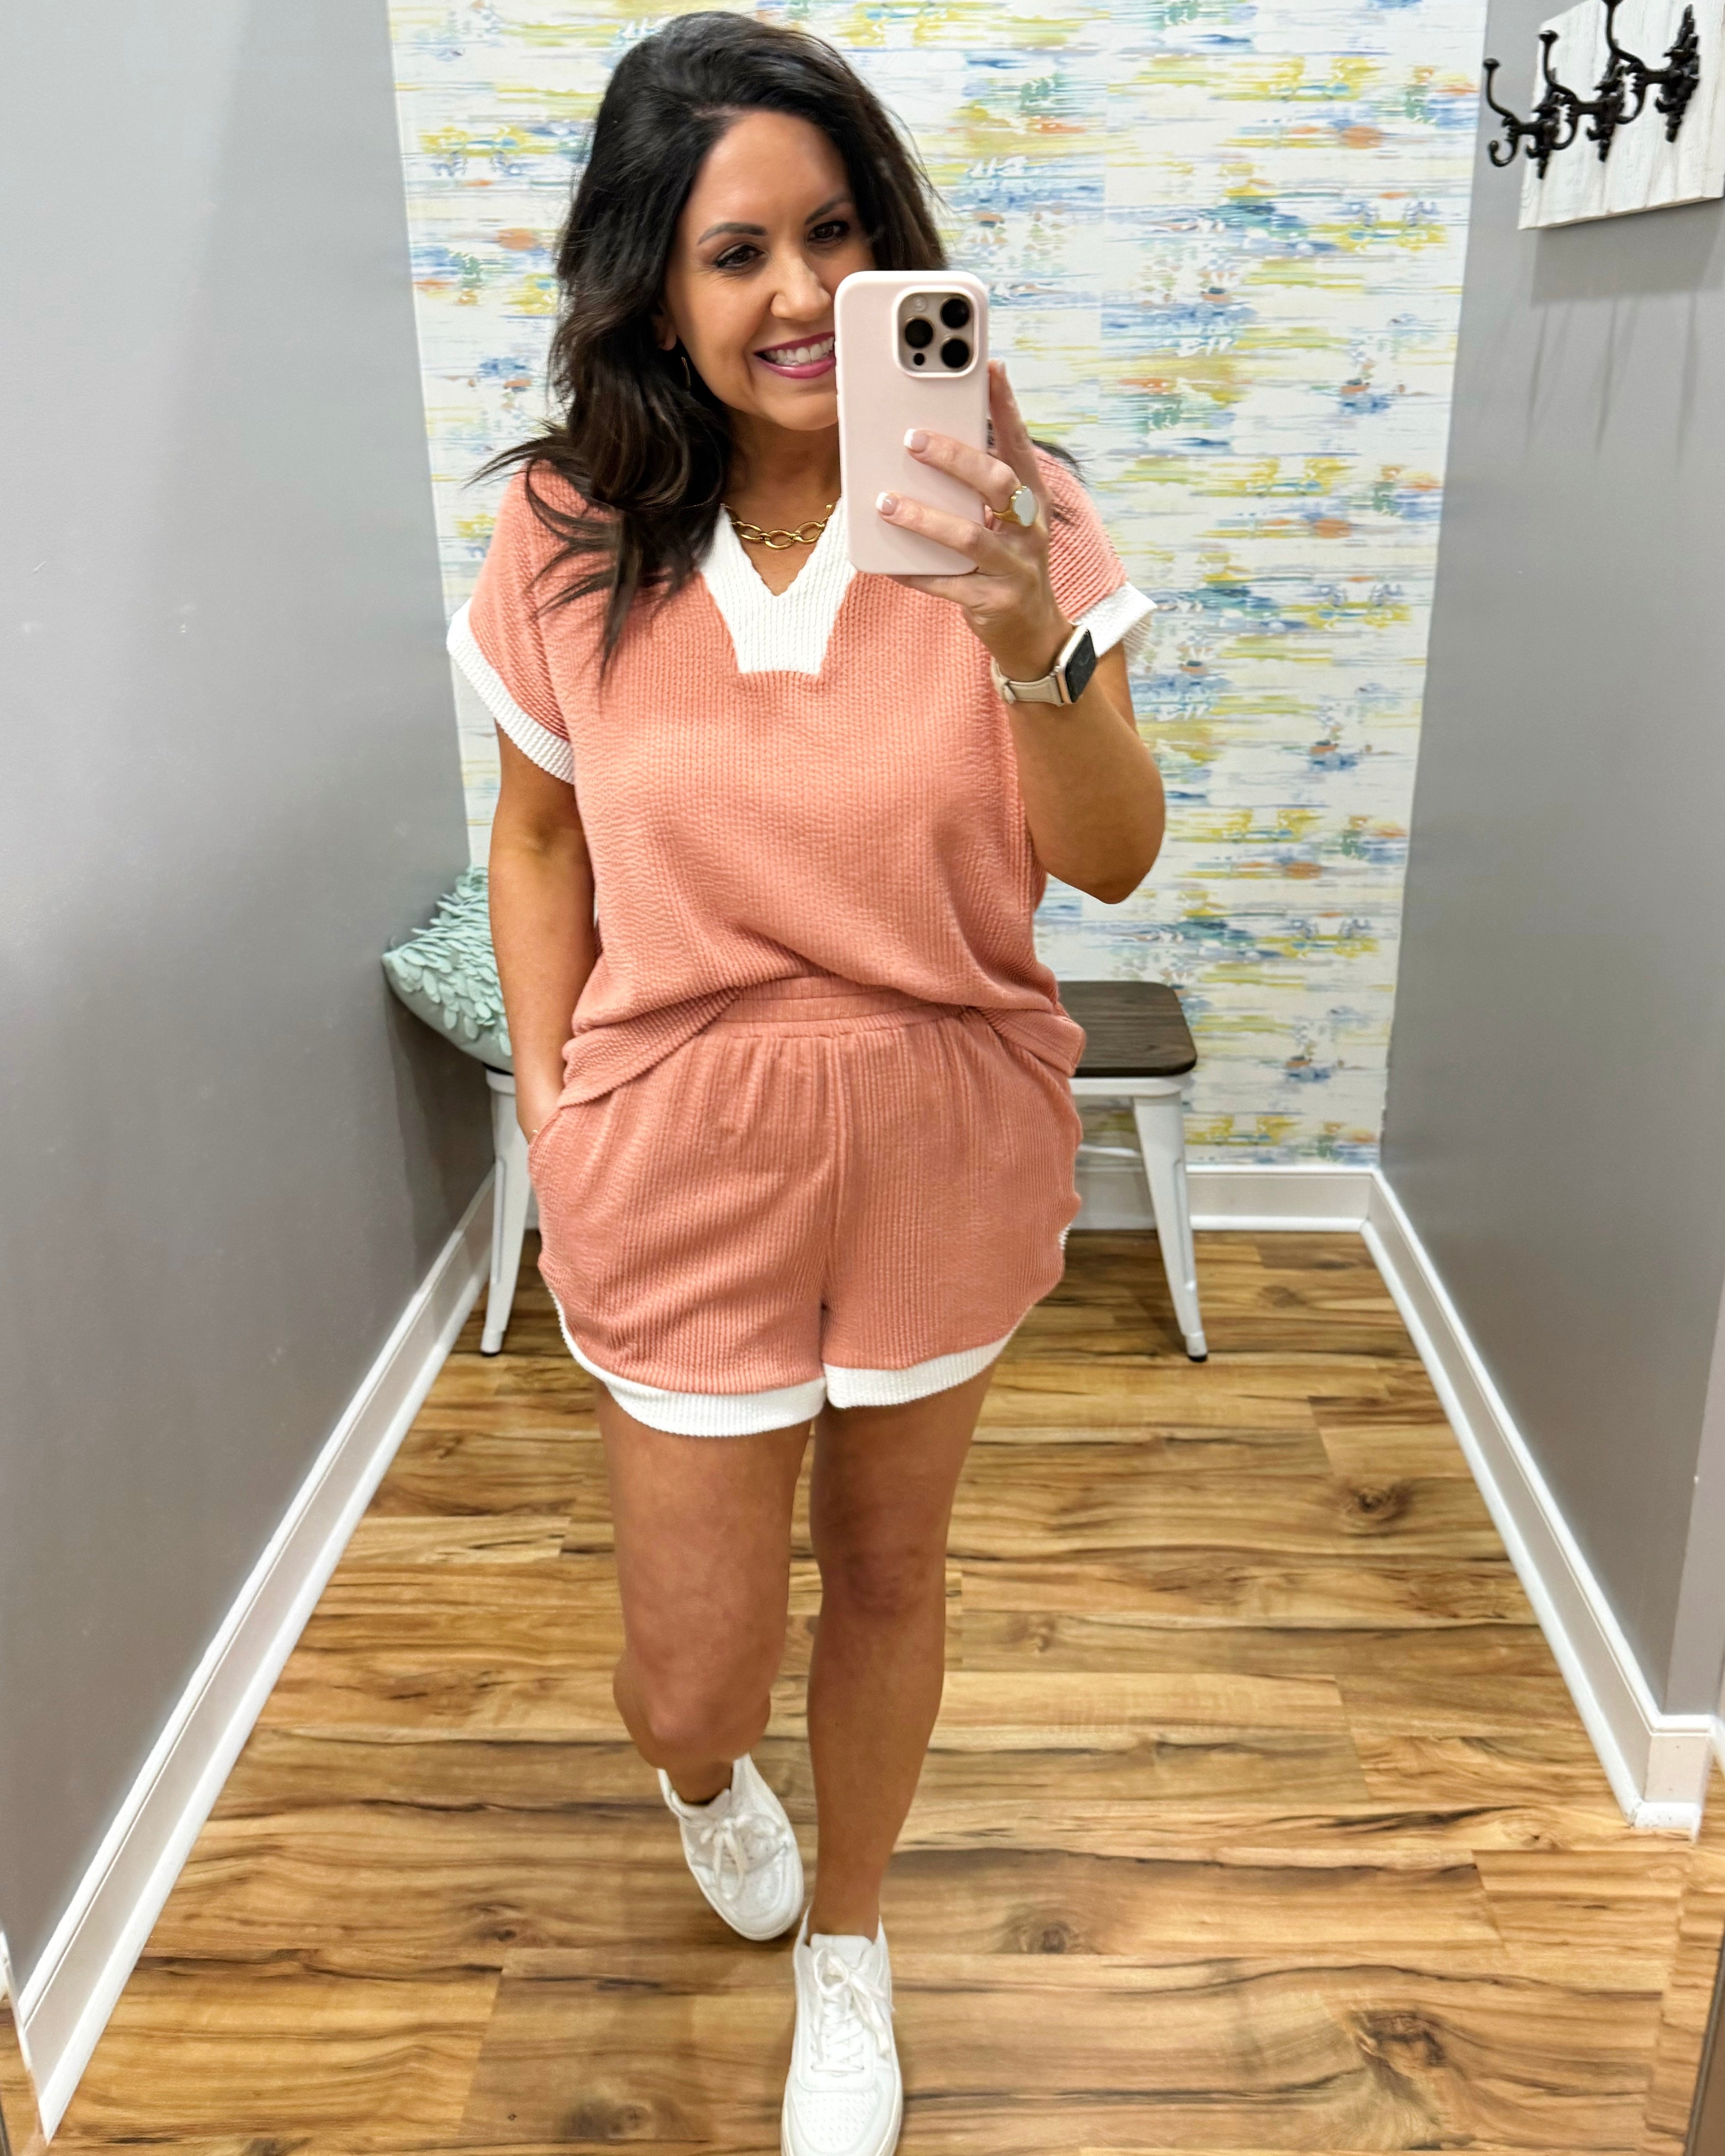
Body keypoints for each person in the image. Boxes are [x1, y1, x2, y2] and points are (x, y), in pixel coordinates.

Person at [449, 15, 1165, 2152]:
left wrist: (1024, 633)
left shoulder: (1009, 506)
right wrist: (552, 1110)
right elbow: (538, 841)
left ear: (891, 249)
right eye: (733, 249)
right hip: (674, 1147)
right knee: (686, 1672)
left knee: (887, 1568)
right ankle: (706, 1781)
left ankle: (849, 1948)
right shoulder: (571, 532)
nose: (792, 293)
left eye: (833, 233)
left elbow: (1111, 855)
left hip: (942, 1121)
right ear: (651, 284)